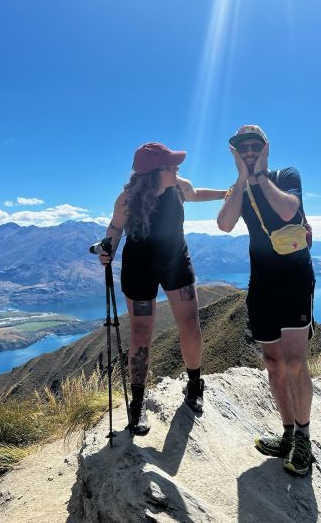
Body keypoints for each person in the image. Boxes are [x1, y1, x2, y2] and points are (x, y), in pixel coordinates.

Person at [98, 142, 226, 436]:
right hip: (139, 268)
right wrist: (109, 249)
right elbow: (115, 228)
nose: (177, 169)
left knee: (190, 325)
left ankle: (195, 385)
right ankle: (138, 404)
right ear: (154, 172)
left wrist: (226, 194)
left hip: (175, 263)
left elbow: (195, 195)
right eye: (171, 166)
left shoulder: (179, 187)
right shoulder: (127, 200)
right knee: (141, 334)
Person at [217, 125, 315, 475]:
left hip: (294, 282)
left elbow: (289, 211)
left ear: (265, 147)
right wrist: (242, 181)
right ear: (235, 152)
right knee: (273, 363)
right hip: (261, 284)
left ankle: (304, 438)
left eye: (254, 146)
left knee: (294, 362)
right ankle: (287, 434)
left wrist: (259, 175)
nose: (248, 151)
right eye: (241, 148)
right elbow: (224, 224)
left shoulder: (286, 176)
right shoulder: (239, 189)